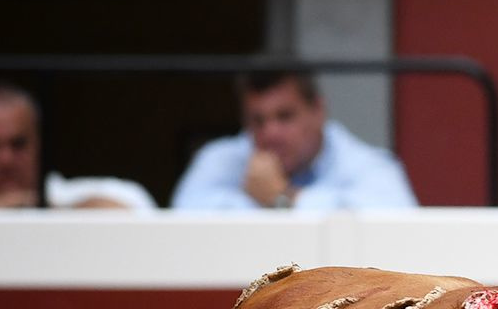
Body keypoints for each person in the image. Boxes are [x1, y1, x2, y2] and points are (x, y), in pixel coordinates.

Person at [172, 68, 416, 211]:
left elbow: (398, 225)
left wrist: (284, 198)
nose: (270, 133)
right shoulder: (218, 158)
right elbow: (180, 223)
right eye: (258, 121)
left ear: (318, 111)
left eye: (285, 116)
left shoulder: (370, 164)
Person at [0, 83, 153, 211]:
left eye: (18, 144)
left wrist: (39, 208)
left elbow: (135, 210)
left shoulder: (82, 193)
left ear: (40, 145)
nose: (5, 159)